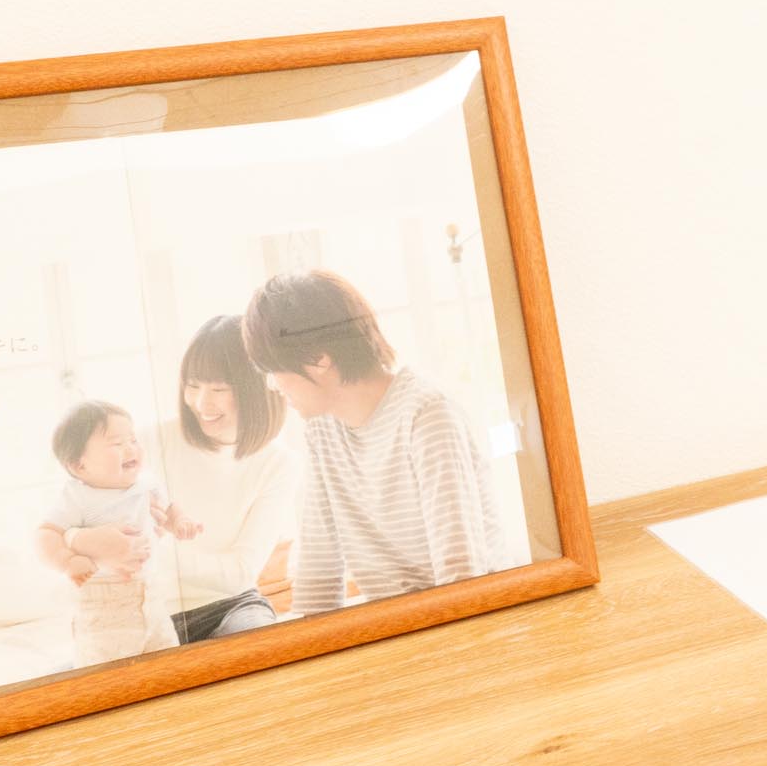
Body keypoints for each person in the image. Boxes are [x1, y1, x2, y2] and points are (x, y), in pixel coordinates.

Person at [241, 269, 501, 616]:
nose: (272, 385)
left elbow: (461, 575)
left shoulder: (426, 416)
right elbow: (319, 569)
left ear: (319, 359)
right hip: (399, 624)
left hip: (463, 622)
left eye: (274, 370)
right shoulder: (323, 429)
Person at [151, 314, 301, 643]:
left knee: (262, 644)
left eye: (218, 389)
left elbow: (241, 573)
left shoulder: (277, 463)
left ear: (255, 391)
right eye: (193, 386)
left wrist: (154, 555)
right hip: (153, 610)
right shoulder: (150, 442)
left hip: (233, 606)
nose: (201, 403)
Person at [34, 400, 199, 666]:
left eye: (132, 440)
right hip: (103, 606)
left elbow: (168, 508)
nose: (131, 448)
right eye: (117, 443)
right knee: (106, 673)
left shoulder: (146, 483)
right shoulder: (78, 497)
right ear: (79, 466)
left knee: (169, 664)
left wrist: (180, 521)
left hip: (151, 597)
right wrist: (68, 560)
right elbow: (46, 534)